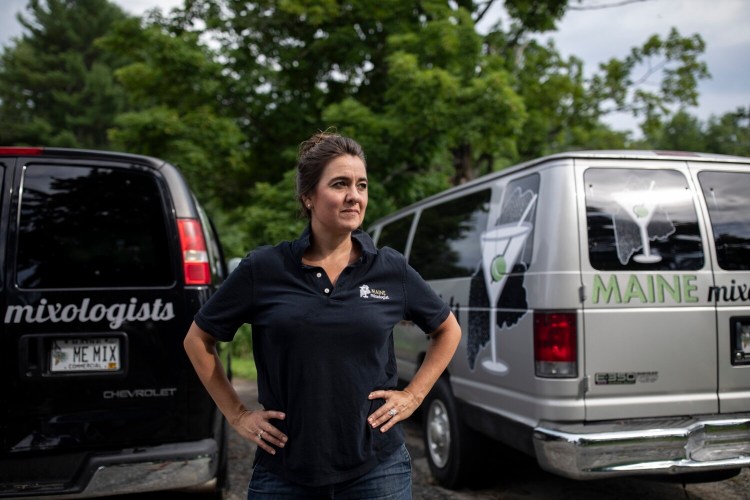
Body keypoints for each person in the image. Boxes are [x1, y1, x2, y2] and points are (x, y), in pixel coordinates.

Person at [183, 131, 461, 499]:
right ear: (308, 197)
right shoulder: (264, 268)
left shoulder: (388, 267)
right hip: (284, 470)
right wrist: (237, 414)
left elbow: (447, 329)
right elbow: (198, 340)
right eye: (340, 184)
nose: (354, 196)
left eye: (361, 185)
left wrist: (413, 396)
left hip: (378, 470)